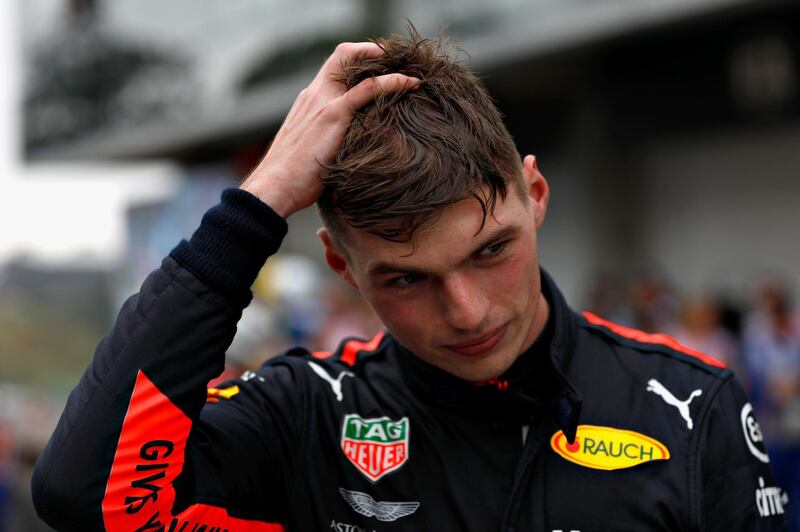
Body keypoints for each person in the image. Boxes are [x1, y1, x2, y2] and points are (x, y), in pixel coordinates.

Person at [32, 29, 786, 531]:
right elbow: (86, 497)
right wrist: (250, 213)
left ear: (537, 196)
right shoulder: (308, 416)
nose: (466, 311)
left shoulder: (691, 408)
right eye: (406, 279)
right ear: (341, 265)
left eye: (491, 251)